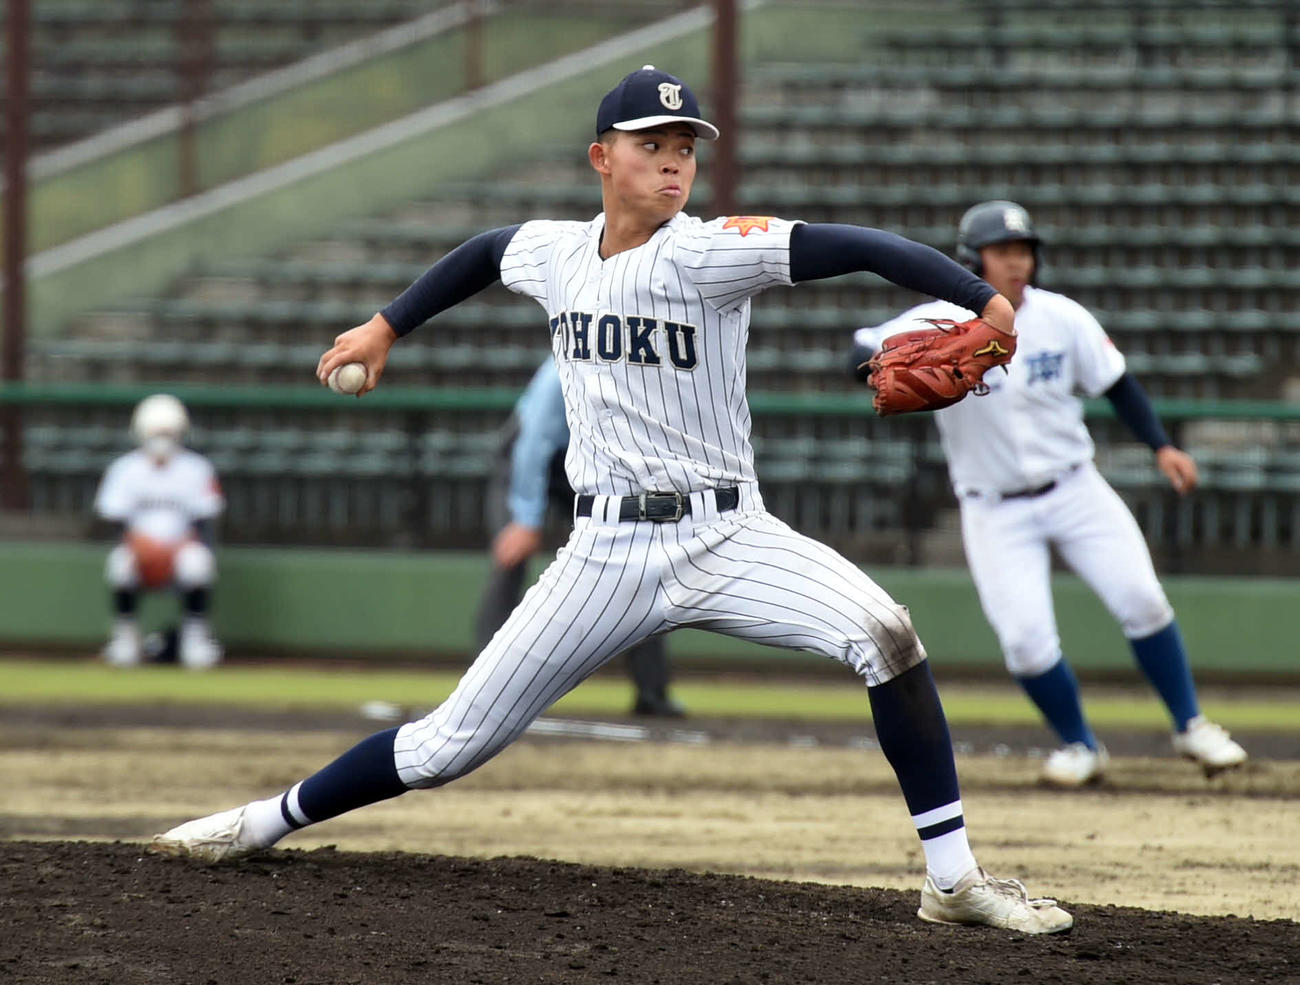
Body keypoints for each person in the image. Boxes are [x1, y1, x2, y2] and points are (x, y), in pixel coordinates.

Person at [151, 67, 1071, 934]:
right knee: (444, 748)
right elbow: (480, 254)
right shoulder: (554, 253)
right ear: (602, 158)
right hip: (603, 554)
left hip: (729, 532)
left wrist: (980, 299)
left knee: (885, 636)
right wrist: (388, 324)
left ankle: (953, 882)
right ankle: (263, 821)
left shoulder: (712, 253)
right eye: (650, 142)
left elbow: (864, 246)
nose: (674, 159)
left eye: (685, 144)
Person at [850, 200, 1248, 788]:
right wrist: (879, 362)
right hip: (993, 507)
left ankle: (1192, 725)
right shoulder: (935, 320)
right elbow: (857, 352)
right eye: (1003, 251)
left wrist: (1161, 445)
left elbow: (1119, 386)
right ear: (971, 259)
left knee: (1142, 599)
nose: (1017, 262)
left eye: (1024, 250)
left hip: (1075, 488)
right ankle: (1080, 746)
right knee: (1026, 645)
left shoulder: (1063, 318)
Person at [477, 356, 684, 717]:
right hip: (527, 461)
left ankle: (653, 692)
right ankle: (482, 694)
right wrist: (526, 518)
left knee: (635, 559)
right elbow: (534, 440)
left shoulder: (638, 369)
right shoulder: (567, 365)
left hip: (587, 462)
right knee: (511, 559)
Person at [93, 393, 225, 670]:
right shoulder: (124, 468)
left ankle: (195, 641)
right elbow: (115, 520)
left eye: (168, 431)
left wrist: (173, 548)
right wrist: (141, 547)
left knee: (198, 562)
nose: (162, 438)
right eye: (156, 431)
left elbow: (203, 523)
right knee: (120, 563)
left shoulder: (197, 468)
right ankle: (125, 641)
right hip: (138, 549)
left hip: (180, 549)